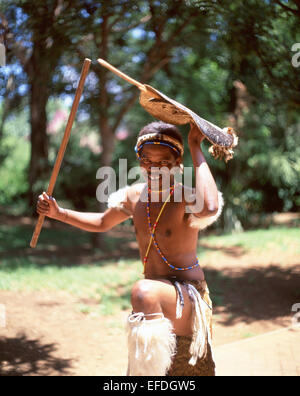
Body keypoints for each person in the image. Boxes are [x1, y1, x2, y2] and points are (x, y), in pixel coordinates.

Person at [36, 121, 223, 376]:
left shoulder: (184, 196)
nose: (154, 168)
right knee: (146, 298)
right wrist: (60, 213)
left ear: (178, 163)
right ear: (139, 161)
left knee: (143, 292)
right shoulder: (134, 196)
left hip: (188, 298)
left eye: (163, 162)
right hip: (155, 301)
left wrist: (194, 146)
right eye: (147, 160)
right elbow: (103, 222)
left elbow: (211, 207)